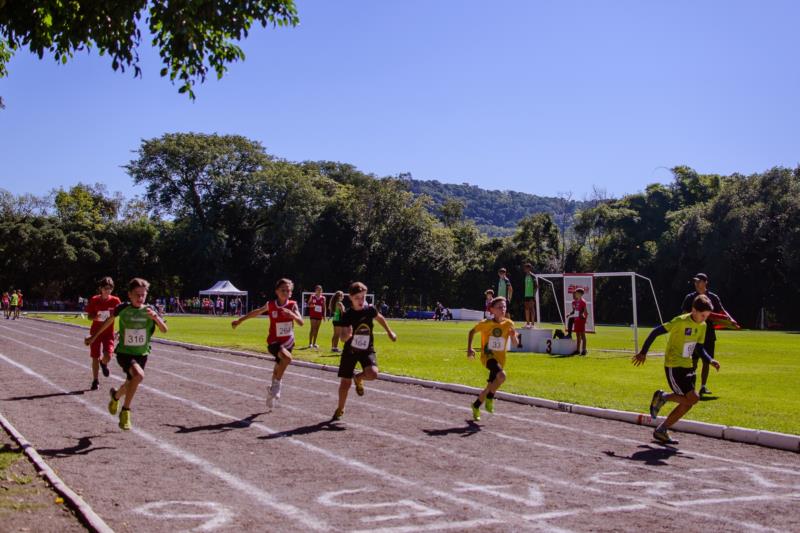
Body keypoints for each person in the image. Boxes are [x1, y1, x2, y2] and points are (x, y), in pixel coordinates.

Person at [632, 294, 720, 445]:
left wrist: (710, 360)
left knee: (688, 403)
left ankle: (662, 430)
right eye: (703, 315)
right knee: (694, 398)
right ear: (694, 310)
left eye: (707, 316)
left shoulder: (703, 326)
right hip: (674, 365)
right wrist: (643, 352)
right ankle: (663, 397)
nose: (704, 318)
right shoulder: (680, 321)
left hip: (688, 365)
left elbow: (699, 347)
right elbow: (656, 332)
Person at [84, 278, 168, 430]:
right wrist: (93, 337)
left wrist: (155, 317)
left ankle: (116, 396)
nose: (140, 298)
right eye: (137, 294)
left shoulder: (150, 310)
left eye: (143, 295)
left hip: (142, 354)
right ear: (129, 295)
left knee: (131, 382)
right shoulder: (122, 308)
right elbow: (107, 323)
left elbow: (164, 330)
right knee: (139, 375)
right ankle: (125, 411)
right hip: (125, 353)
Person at [232, 278, 303, 408]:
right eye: (283, 290)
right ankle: (276, 387)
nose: (285, 292)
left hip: (288, 343)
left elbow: (301, 322)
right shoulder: (271, 305)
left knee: (277, 369)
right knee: (287, 358)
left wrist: (292, 315)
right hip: (274, 342)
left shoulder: (292, 305)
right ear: (276, 291)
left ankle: (271, 392)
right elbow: (256, 312)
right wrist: (240, 320)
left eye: (288, 291)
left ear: (291, 293)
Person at [332, 282, 397, 420]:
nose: (361, 301)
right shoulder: (347, 315)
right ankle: (341, 408)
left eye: (363, 297)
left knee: (373, 373)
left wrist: (389, 332)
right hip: (350, 351)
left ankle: (359, 377)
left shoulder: (370, 309)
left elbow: (380, 318)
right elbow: (342, 338)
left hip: (367, 349)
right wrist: (347, 335)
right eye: (357, 298)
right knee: (345, 383)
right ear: (350, 298)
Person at [466, 296, 518, 421]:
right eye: (499, 307)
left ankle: (476, 405)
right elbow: (471, 332)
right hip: (488, 357)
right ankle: (490, 397)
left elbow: (516, 343)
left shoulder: (509, 324)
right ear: (492, 310)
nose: (503, 309)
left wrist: (513, 336)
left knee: (490, 385)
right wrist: (469, 348)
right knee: (502, 376)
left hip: (501, 359)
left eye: (504, 307)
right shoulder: (486, 324)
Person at [681, 273, 726, 396]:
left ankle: (703, 387)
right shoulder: (690, 297)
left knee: (707, 361)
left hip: (709, 334)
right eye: (695, 281)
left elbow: (721, 312)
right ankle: (691, 387)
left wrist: (730, 321)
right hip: (692, 334)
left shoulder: (713, 297)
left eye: (698, 281)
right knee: (692, 361)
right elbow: (684, 314)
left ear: (705, 282)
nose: (696, 284)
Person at [84, 277, 122, 391]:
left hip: (108, 333)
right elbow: (89, 315)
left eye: (110, 288)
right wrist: (94, 317)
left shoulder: (116, 301)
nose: (107, 291)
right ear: (100, 288)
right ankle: (95, 380)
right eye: (105, 288)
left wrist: (120, 330)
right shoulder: (94, 299)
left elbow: (122, 316)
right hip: (95, 332)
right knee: (94, 356)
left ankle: (103, 363)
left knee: (108, 355)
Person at [566, 288, 588, 355]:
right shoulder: (575, 302)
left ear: (581, 294)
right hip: (576, 320)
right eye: (575, 293)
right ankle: (578, 350)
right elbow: (574, 312)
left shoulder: (583, 302)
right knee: (578, 336)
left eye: (577, 293)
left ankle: (584, 350)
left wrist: (585, 320)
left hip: (581, 321)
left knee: (582, 335)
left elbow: (586, 312)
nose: (575, 294)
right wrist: (569, 314)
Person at [522, 263, 537, 328]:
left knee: (532, 309)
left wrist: (533, 295)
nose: (525, 269)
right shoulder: (526, 276)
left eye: (526, 268)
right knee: (526, 309)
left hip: (531, 295)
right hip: (526, 295)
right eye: (524, 268)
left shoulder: (532, 276)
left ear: (529, 268)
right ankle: (528, 323)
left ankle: (533, 324)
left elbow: (536, 286)